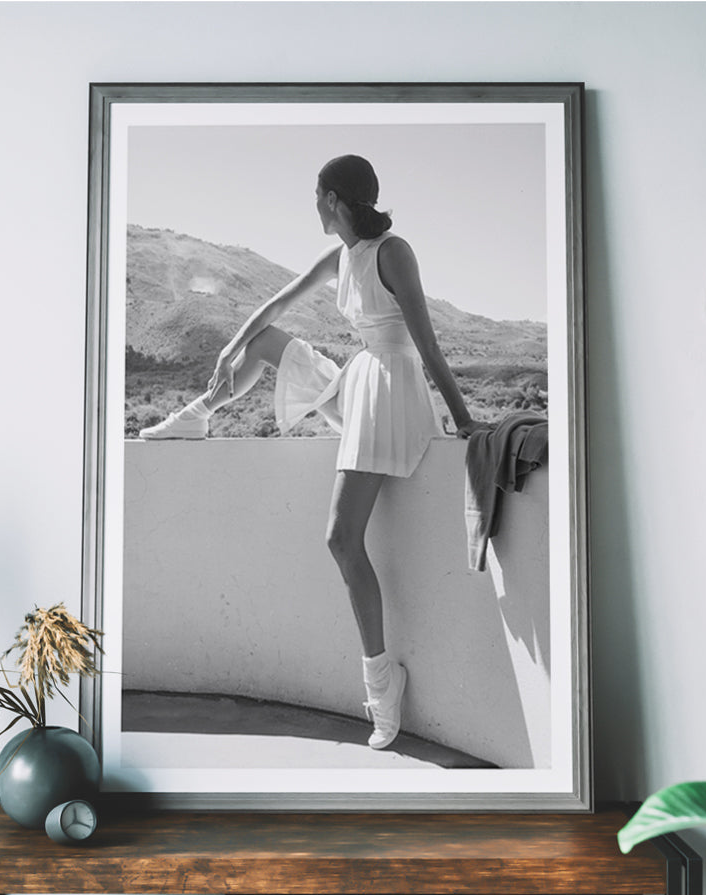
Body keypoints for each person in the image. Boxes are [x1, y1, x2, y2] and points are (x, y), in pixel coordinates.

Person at [140, 154, 483, 750]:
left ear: (332, 199)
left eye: (315, 195)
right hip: (362, 382)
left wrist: (465, 421)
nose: (311, 204)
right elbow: (273, 307)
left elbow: (426, 342)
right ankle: (197, 416)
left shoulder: (393, 252)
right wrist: (229, 346)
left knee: (340, 538)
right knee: (267, 342)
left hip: (392, 392)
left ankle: (382, 684)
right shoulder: (340, 257)